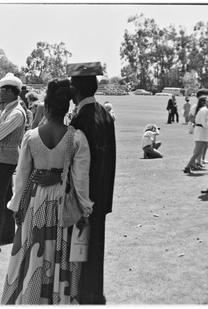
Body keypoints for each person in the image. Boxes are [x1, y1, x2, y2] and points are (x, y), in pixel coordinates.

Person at [1, 78, 93, 304]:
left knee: (34, 250)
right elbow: (81, 180)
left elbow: (21, 177)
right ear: (66, 109)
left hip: (36, 200)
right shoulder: (77, 138)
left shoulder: (31, 137)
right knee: (57, 253)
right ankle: (56, 299)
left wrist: (16, 207)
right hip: (63, 201)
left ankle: (31, 297)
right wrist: (85, 209)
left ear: (47, 107)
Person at [67, 62, 116, 304]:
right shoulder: (103, 113)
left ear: (77, 89)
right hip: (101, 192)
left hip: (85, 195)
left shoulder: (83, 116)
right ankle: (94, 292)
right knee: (95, 247)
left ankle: (87, 294)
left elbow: (79, 163)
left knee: (82, 248)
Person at [0, 73, 26, 253]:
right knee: (7, 196)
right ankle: (7, 235)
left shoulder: (16, 113)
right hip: (4, 158)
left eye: (2, 91)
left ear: (10, 92)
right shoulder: (10, 110)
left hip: (6, 159)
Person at [183, 96, 208, 173]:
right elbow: (204, 123)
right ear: (203, 102)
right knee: (197, 152)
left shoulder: (203, 110)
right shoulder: (204, 110)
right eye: (207, 101)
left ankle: (190, 166)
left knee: (202, 150)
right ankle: (188, 166)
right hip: (201, 131)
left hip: (202, 131)